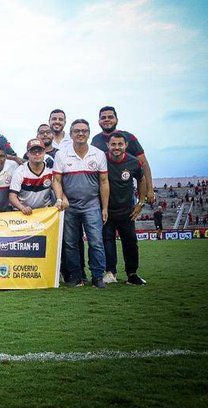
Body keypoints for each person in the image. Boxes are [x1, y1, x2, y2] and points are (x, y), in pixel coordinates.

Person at [52, 119, 109, 288]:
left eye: (84, 130)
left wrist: (104, 207)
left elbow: (104, 182)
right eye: (77, 131)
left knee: (96, 241)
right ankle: (76, 277)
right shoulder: (61, 154)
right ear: (71, 134)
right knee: (70, 243)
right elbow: (56, 180)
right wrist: (61, 199)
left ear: (89, 133)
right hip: (70, 206)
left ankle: (98, 276)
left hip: (92, 204)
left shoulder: (98, 154)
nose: (80, 133)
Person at [103, 133, 148, 285]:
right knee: (107, 242)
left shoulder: (133, 162)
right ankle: (110, 273)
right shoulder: (101, 160)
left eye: (119, 144)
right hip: (106, 211)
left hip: (127, 211)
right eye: (113, 144)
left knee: (130, 242)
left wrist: (141, 202)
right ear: (108, 145)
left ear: (126, 145)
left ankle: (132, 274)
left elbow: (142, 179)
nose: (116, 147)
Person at [91, 106, 154, 204]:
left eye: (110, 117)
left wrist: (150, 190)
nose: (107, 120)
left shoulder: (129, 138)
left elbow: (144, 164)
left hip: (126, 195)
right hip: (103, 195)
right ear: (99, 121)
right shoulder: (96, 140)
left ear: (116, 120)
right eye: (103, 118)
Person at [9, 139, 55, 215]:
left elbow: (58, 186)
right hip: (23, 212)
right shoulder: (20, 172)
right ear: (27, 154)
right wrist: (22, 207)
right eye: (33, 152)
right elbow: (12, 196)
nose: (37, 154)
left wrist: (60, 200)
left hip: (44, 211)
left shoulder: (50, 169)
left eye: (40, 151)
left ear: (44, 152)